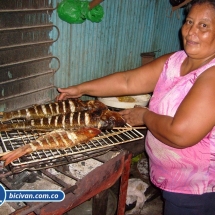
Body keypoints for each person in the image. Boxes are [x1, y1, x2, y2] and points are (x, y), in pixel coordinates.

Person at [56, 0, 215, 214]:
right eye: (189, 22)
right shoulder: (176, 61)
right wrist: (80, 88)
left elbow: (181, 135)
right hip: (173, 181)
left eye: (203, 25)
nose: (191, 31)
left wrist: (145, 116)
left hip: (196, 191)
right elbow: (128, 81)